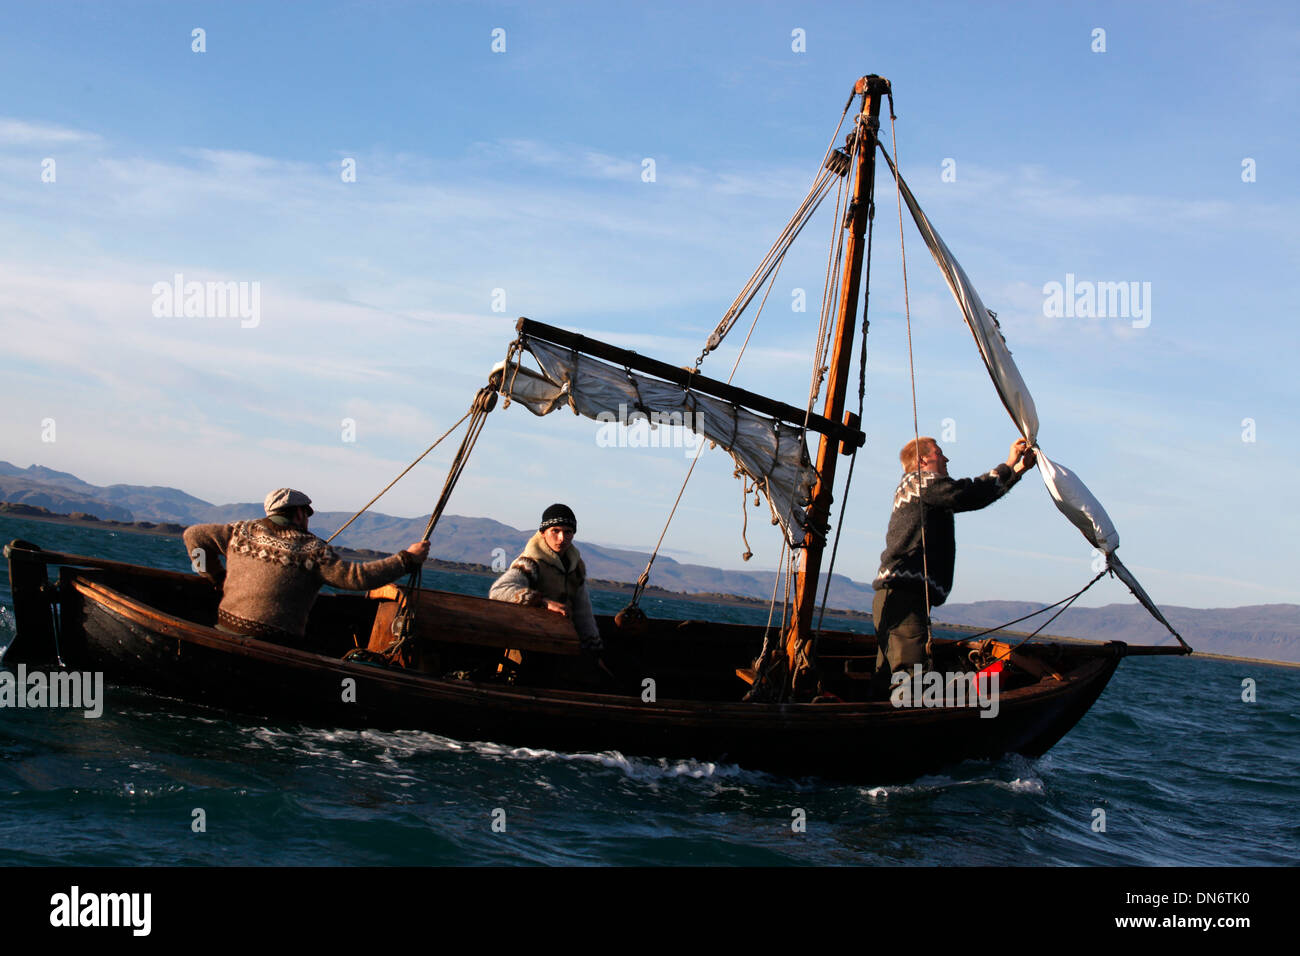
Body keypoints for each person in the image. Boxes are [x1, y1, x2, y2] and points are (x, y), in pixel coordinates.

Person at [870, 437, 1036, 695]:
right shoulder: (920, 483)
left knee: (888, 680)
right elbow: (966, 494)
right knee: (913, 685)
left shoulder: (922, 489)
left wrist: (1017, 472)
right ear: (922, 460)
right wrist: (1009, 463)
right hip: (904, 597)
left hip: (898, 597)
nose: (946, 459)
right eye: (939, 453)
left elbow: (970, 497)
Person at [183, 488, 430, 646]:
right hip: (276, 643)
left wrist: (216, 577)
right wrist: (407, 559)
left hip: (225, 628)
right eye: (307, 514)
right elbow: (357, 579)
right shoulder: (312, 550)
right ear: (299, 514)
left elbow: (193, 536)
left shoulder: (238, 531)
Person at [490, 503, 602, 653]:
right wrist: (543, 603)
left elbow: (583, 613)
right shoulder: (530, 563)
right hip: (529, 645)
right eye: (555, 531)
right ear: (543, 532)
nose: (562, 538)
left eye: (568, 532)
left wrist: (593, 649)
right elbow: (499, 591)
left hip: (563, 646)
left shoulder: (576, 568)